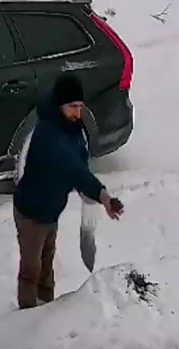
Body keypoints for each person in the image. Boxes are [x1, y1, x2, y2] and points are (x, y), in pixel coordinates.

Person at [12, 72, 124, 310]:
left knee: (46, 265)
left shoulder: (72, 128)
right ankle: (26, 318)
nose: (77, 112)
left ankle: (46, 311)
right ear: (60, 105)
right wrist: (102, 195)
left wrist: (99, 196)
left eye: (80, 107)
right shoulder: (49, 134)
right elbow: (74, 169)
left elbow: (81, 163)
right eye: (72, 106)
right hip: (31, 213)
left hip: (50, 211)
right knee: (31, 271)